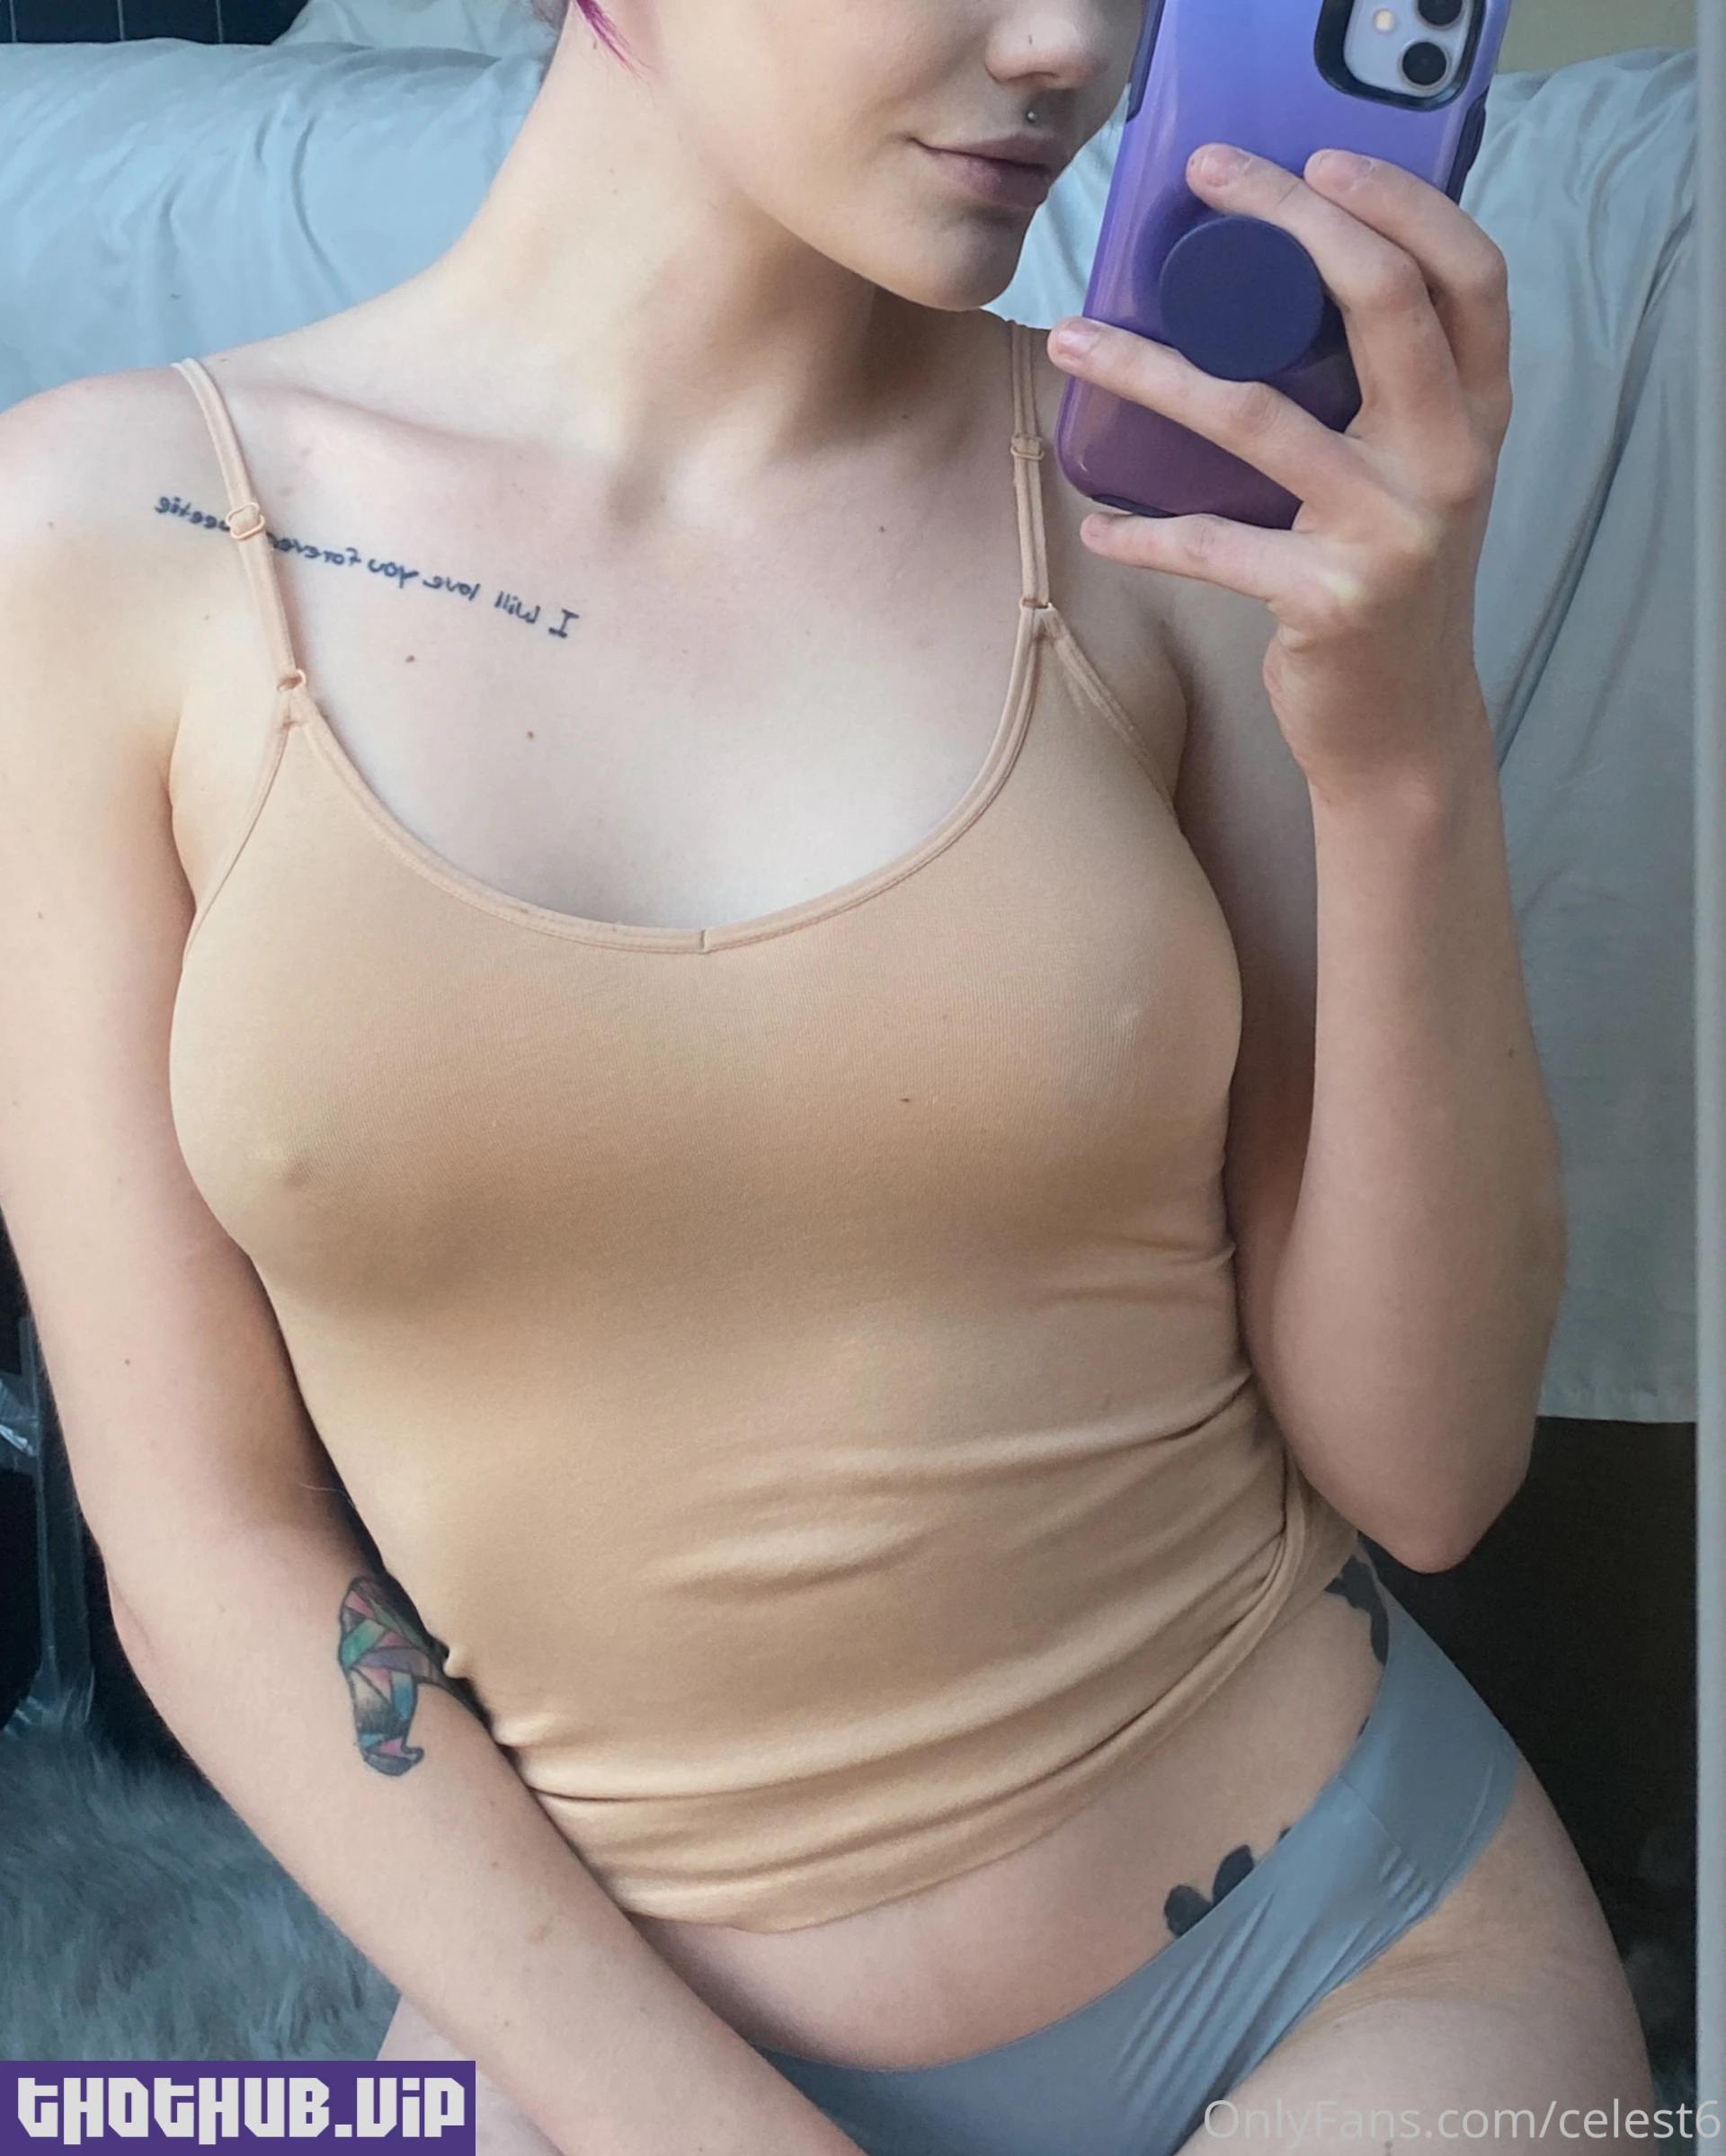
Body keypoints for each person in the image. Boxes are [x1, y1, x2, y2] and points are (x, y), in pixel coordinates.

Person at [0, 0, 1651, 2150]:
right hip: (606, 2056)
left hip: (1358, 1953)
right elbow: (196, 1528)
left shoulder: (1165, 505)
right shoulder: (100, 536)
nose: (1067, 46)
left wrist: (1406, 746)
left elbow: (1428, 1471)